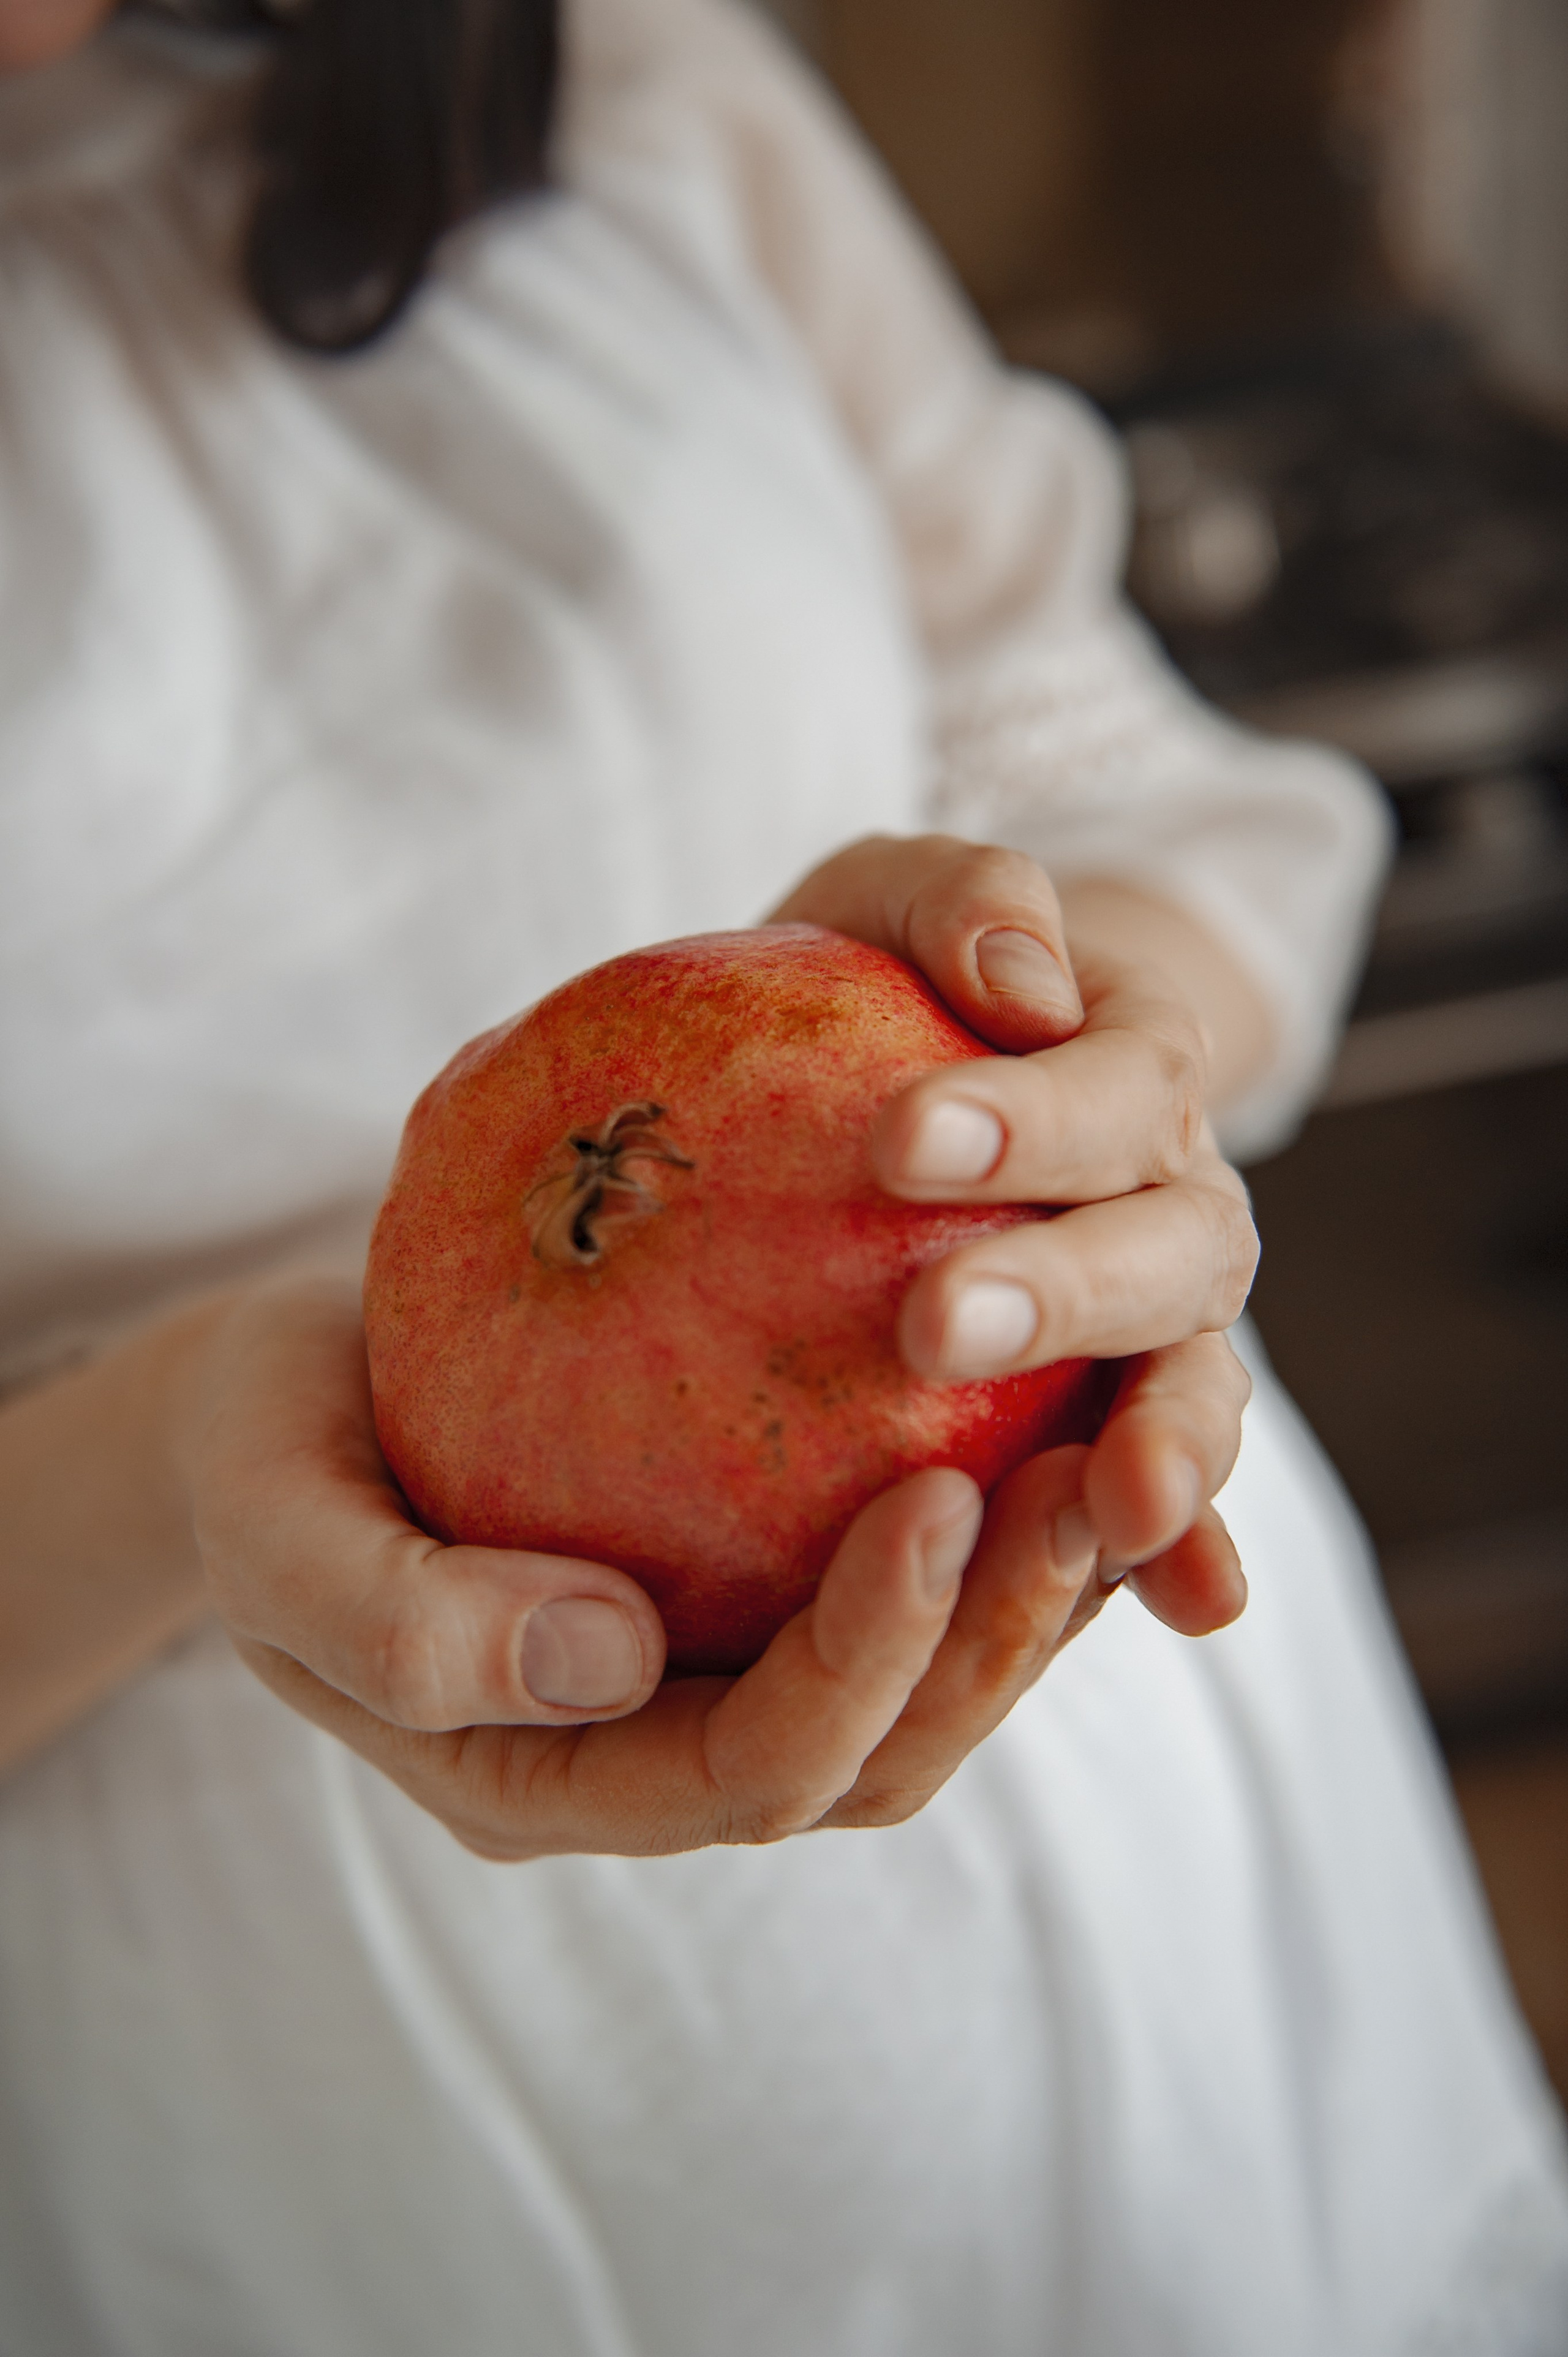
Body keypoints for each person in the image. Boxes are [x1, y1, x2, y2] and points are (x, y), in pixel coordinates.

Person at [0, 1, 1564, 2349]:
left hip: (1119, 1695)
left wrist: (1087, 1056)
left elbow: (1095, 755)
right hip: (340, 2050)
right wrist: (170, 1441)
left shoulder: (584, 49)